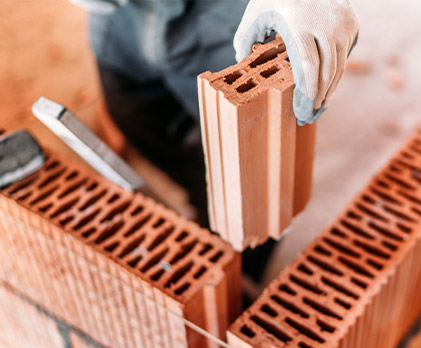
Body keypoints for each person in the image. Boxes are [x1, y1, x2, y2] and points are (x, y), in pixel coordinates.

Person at [72, 0, 359, 280]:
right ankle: (205, 201)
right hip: (122, 14)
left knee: (257, 180)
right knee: (140, 120)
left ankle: (237, 271)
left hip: (227, 14)